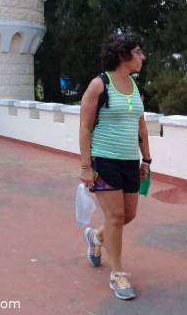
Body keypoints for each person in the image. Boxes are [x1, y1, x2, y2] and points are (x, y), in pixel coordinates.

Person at [79, 34, 152, 300]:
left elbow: (141, 124)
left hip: (129, 161)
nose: (142, 57)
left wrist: (146, 159)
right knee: (115, 217)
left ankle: (97, 238)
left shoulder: (134, 85)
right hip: (104, 159)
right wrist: (86, 166)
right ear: (123, 55)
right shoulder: (99, 85)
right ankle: (118, 274)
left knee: (128, 215)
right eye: (138, 52)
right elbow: (85, 127)